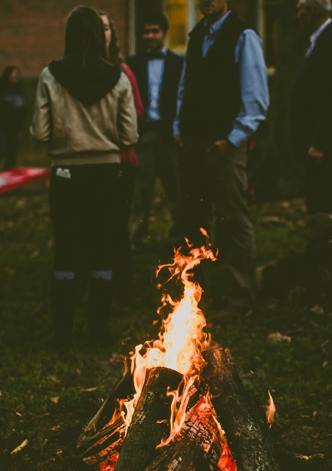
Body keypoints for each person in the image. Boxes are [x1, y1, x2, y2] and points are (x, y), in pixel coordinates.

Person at [31, 6, 138, 350]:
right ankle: (98, 332)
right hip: (107, 174)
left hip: (66, 174)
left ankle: (62, 334)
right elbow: (130, 137)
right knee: (103, 251)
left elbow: (39, 132)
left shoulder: (50, 76)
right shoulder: (119, 77)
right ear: (98, 34)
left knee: (66, 250)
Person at [174, 0, 268, 310]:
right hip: (191, 142)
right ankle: (195, 290)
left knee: (233, 217)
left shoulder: (244, 36)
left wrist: (231, 141)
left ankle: (243, 292)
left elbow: (256, 100)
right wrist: (178, 126)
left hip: (224, 143)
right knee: (192, 216)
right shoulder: (196, 34)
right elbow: (185, 85)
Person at [126, 12, 184, 250]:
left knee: (176, 188)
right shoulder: (132, 63)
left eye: (155, 31)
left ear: (165, 34)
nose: (150, 36)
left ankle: (179, 236)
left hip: (171, 133)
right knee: (142, 191)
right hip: (145, 134)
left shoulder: (179, 63)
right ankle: (137, 238)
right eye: (146, 32)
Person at [99, 10, 145, 300]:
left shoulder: (123, 71)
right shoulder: (73, 72)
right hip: (89, 162)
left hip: (121, 160)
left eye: (106, 27)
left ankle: (122, 286)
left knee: (117, 226)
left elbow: (138, 111)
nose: (102, 33)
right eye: (96, 28)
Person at [292, 0, 332, 217]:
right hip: (320, 143)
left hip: (326, 147)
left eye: (300, 9)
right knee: (319, 203)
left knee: (326, 208)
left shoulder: (330, 42)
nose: (297, 14)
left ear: (312, 11)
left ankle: (327, 249)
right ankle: (320, 246)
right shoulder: (321, 41)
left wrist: (320, 143)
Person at [0, 66, 26, 170]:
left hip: (14, 129)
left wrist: (20, 128)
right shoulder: (1, 90)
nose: (15, 78)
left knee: (12, 154)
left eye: (17, 76)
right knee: (1, 150)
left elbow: (22, 111)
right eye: (13, 76)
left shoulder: (19, 91)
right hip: (1, 127)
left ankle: (9, 178)